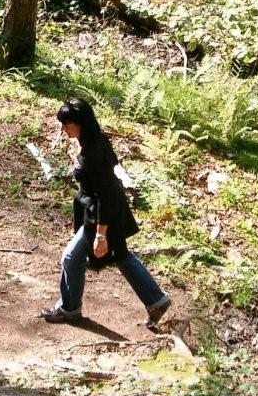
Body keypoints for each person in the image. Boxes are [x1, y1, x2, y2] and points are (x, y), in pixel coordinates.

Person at [40, 98, 171, 328]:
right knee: (119, 254)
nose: (63, 128)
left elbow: (104, 196)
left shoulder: (94, 153)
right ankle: (156, 300)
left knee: (71, 258)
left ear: (80, 123)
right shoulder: (94, 139)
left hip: (103, 213)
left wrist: (100, 234)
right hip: (106, 209)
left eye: (67, 124)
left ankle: (69, 308)